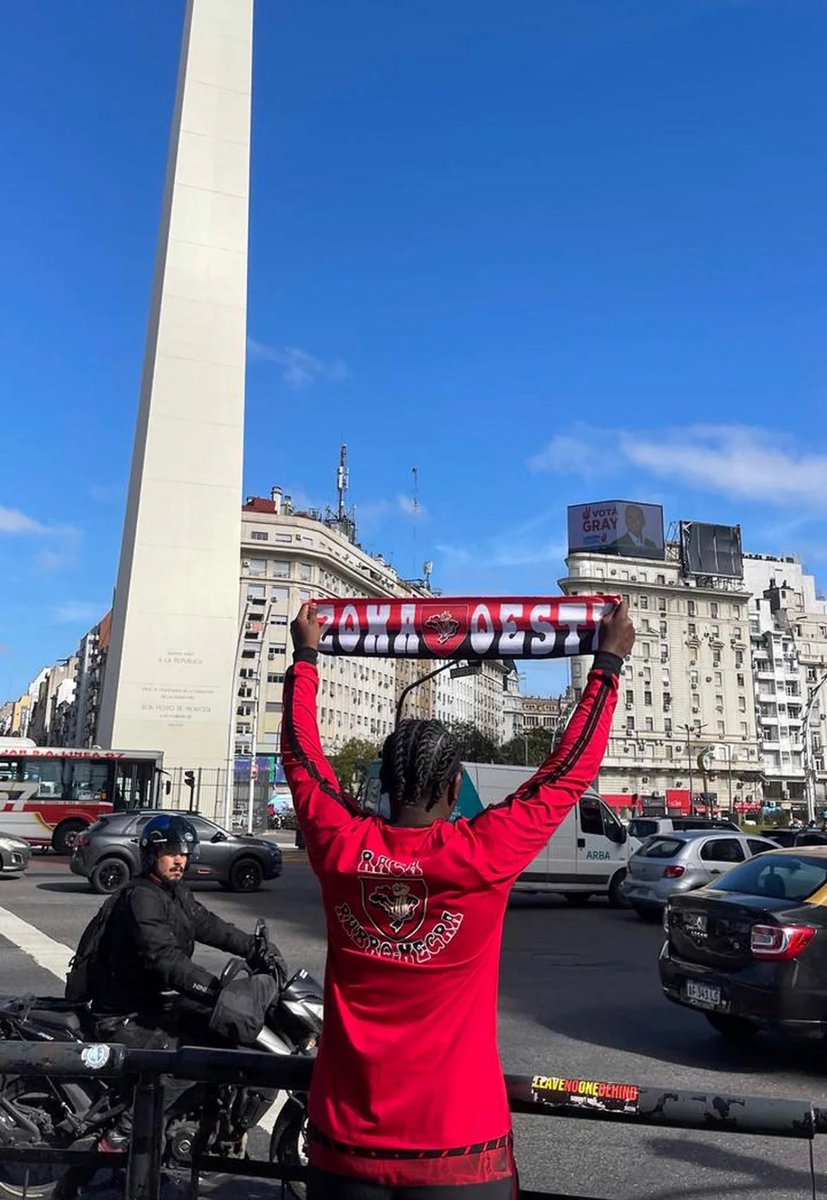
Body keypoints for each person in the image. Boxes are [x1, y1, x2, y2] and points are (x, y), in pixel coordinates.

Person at [282, 599, 634, 1200]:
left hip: (342, 1148)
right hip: (459, 1150)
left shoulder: (339, 845)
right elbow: (567, 773)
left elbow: (301, 759)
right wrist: (606, 665)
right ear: (454, 786)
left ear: (385, 784)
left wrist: (305, 659)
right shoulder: (481, 853)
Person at [84, 813, 286, 1150]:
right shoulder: (142, 897)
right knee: (187, 1058)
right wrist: (214, 990)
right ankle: (121, 1133)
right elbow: (165, 961)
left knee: (215, 1033)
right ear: (152, 855)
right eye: (172, 853)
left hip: (151, 1001)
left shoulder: (174, 893)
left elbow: (209, 925)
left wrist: (255, 948)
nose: (181, 860)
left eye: (185, 853)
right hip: (123, 1013)